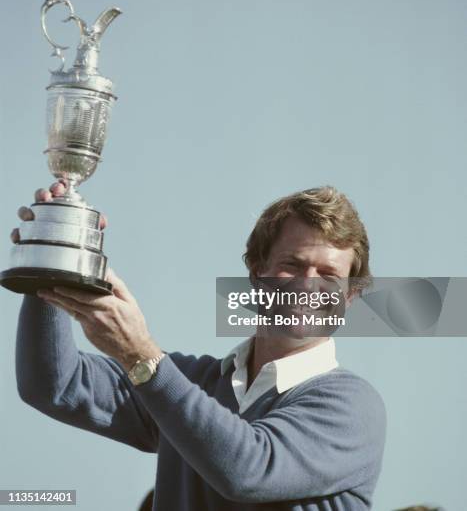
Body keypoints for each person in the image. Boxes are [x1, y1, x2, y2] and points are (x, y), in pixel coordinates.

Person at [13, 182, 386, 510]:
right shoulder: (190, 382)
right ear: (257, 272)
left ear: (349, 296)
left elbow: (248, 470)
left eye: (329, 275)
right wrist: (51, 260)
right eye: (292, 264)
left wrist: (141, 356)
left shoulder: (352, 407)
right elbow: (53, 384)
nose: (308, 286)